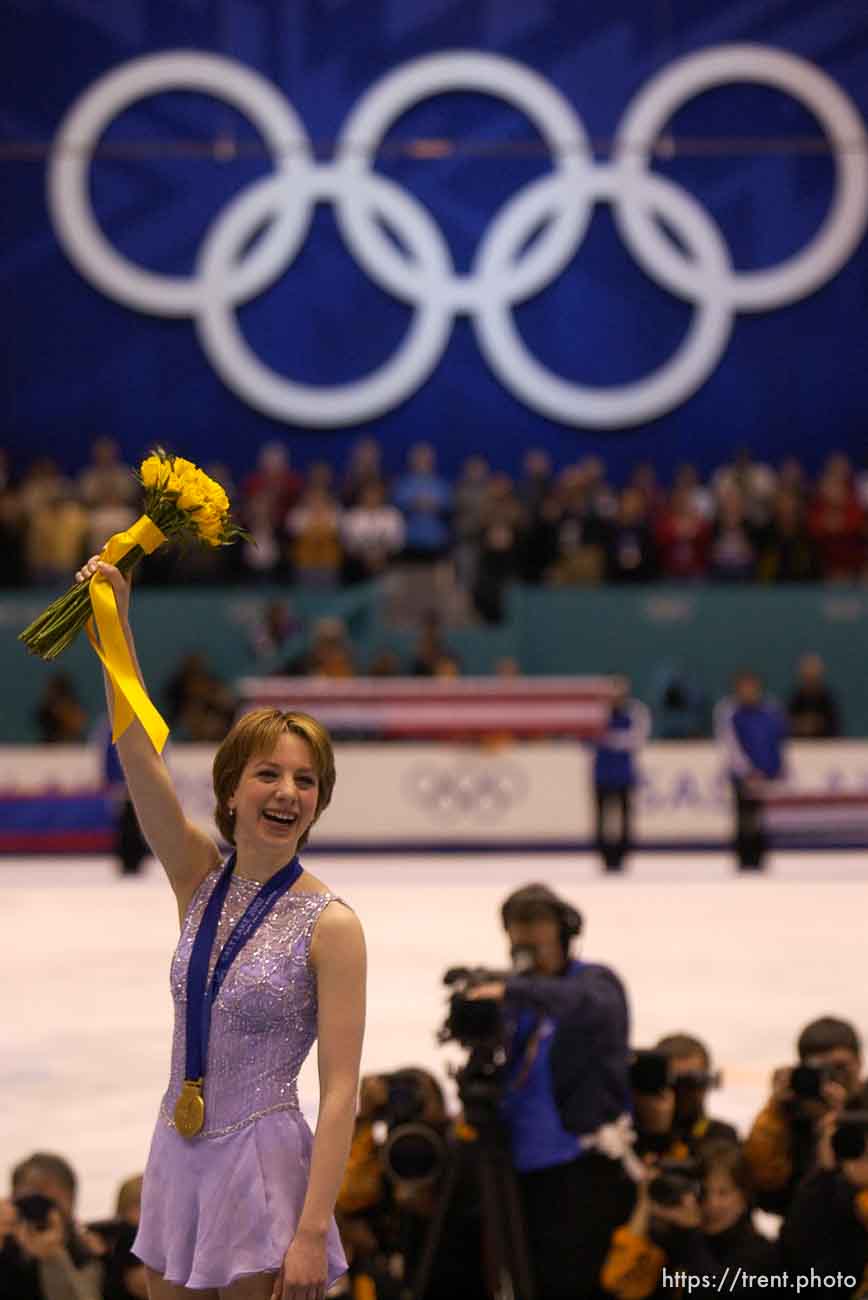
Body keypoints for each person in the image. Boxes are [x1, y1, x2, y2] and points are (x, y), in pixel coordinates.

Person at [73, 553, 367, 1299]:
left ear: (319, 805)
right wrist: (115, 627)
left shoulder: (330, 926)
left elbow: (340, 1093)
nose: (287, 792)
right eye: (269, 774)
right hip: (179, 1153)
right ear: (231, 789)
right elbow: (139, 752)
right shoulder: (198, 878)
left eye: (305, 780)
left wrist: (309, 1231)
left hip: (264, 1168)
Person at [468, 883, 634, 1299]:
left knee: (572, 1281)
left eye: (536, 924)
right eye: (517, 927)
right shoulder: (512, 997)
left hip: (579, 1166)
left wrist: (511, 988)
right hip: (513, 1165)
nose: (526, 937)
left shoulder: (595, 982)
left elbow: (588, 1006)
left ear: (564, 931)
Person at [744, 1015, 868, 1216]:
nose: (833, 1078)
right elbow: (763, 1188)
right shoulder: (788, 1117)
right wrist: (775, 1110)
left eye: (839, 1068)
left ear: (859, 1062)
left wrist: (846, 1118)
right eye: (821, 1070)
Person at [0, 1152, 104, 1300]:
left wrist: (54, 1259)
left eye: (48, 1201)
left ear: (71, 1201)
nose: (39, 1208)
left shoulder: (85, 1252)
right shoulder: (6, 1244)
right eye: (31, 1199)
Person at [714, 671, 787, 871]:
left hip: (764, 772)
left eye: (751, 687)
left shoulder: (770, 711)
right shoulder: (730, 712)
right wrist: (747, 770)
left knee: (761, 816)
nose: (748, 691)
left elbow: (776, 742)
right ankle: (744, 858)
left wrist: (774, 767)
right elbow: (731, 744)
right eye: (744, 687)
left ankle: (759, 857)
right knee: (743, 815)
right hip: (742, 774)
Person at [591, 677, 651, 872]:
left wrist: (607, 738)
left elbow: (637, 739)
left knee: (624, 817)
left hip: (623, 773)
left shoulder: (635, 711)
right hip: (602, 772)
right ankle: (605, 857)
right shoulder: (597, 712)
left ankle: (622, 856)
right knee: (602, 818)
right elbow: (587, 738)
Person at [787, 652, 841, 738]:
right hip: (798, 746)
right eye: (807, 675)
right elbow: (787, 724)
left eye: (813, 675)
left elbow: (836, 727)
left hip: (826, 747)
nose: (810, 677)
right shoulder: (795, 699)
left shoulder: (828, 699)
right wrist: (801, 725)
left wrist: (817, 725)